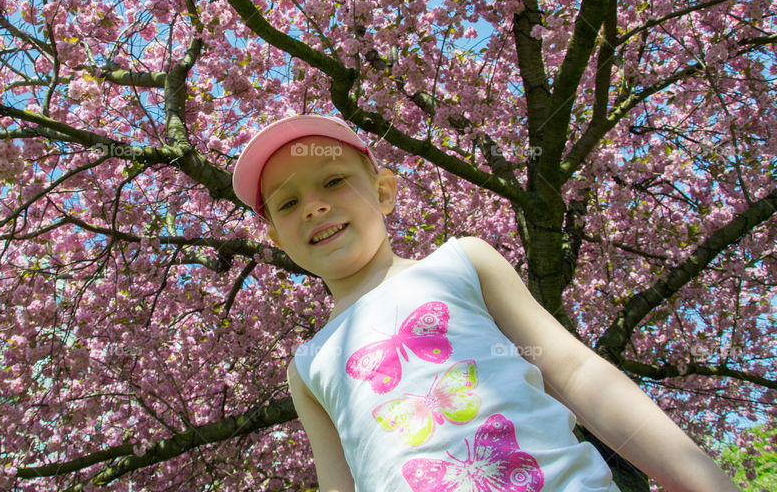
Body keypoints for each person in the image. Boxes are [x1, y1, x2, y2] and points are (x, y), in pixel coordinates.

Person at [231, 114, 741, 492]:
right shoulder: (308, 366)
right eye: (288, 202)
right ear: (276, 236)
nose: (314, 205)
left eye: (334, 180)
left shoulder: (461, 262)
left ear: (384, 192)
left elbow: (577, 373)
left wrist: (700, 480)